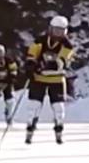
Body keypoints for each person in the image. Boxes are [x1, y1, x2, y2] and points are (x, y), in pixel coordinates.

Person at [23, 15, 75, 145]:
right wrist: (30, 65)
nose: (58, 34)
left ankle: (58, 130)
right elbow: (32, 54)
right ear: (50, 29)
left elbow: (62, 61)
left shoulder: (67, 45)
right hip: (39, 78)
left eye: (61, 31)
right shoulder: (40, 40)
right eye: (56, 30)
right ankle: (30, 129)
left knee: (58, 107)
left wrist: (49, 65)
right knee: (33, 106)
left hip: (56, 79)